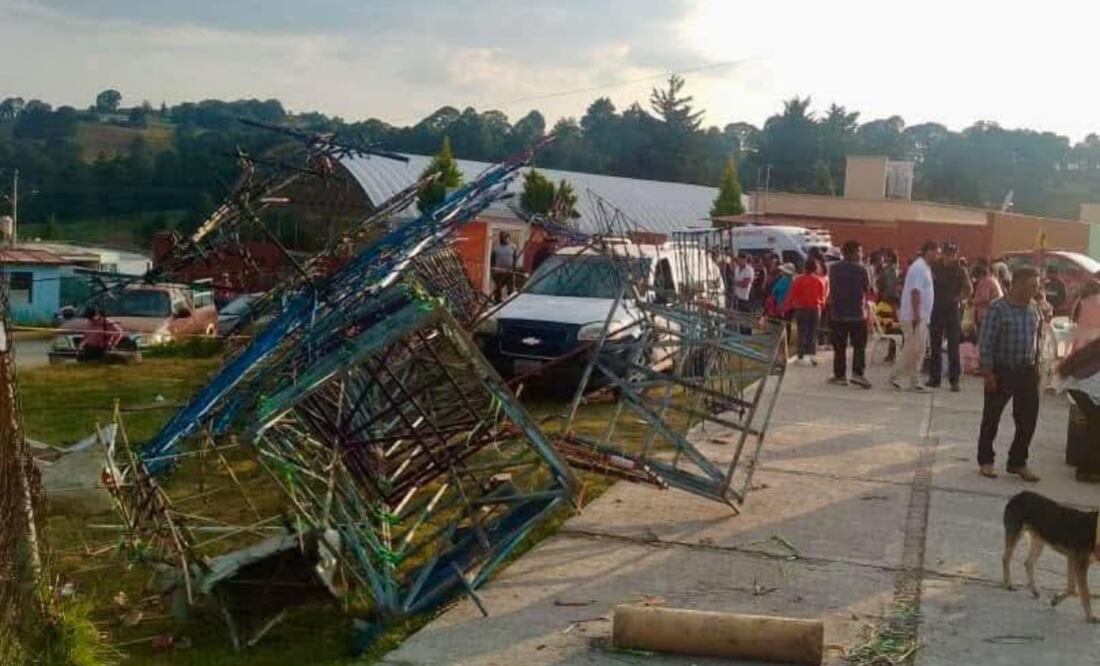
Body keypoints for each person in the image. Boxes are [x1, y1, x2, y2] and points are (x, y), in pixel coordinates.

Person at [976, 265, 1043, 481]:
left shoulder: (1033, 308)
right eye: (1031, 286)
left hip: (1027, 370)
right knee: (991, 418)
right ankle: (986, 460)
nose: (1035, 290)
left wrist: (1037, 366)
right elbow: (986, 343)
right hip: (1002, 370)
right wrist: (988, 374)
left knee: (1027, 419)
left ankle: (1018, 462)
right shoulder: (998, 309)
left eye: (1037, 286)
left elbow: (1037, 340)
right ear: (1016, 285)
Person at [889, 241, 940, 391]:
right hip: (915, 315)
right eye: (936, 252)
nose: (937, 255)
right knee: (913, 348)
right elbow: (915, 292)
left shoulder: (925, 267)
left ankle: (913, 380)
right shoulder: (919, 268)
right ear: (928, 251)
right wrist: (916, 314)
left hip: (921, 316)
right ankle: (898, 377)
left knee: (917, 348)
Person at [828, 240, 872, 388]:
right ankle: (858, 374)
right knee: (859, 346)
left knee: (839, 347)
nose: (861, 254)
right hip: (857, 314)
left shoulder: (833, 269)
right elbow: (869, 290)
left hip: (838, 314)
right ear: (853, 253)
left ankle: (839, 375)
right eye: (860, 251)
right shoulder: (862, 270)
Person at [928, 244, 972, 391]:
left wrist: (960, 299)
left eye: (952, 253)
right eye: (947, 253)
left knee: (953, 346)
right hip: (936, 309)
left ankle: (954, 380)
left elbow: (968, 289)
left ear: (956, 254)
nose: (949, 256)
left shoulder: (960, 270)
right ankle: (935, 378)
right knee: (935, 344)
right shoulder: (935, 267)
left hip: (952, 310)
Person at [788, 258, 828, 366]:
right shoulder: (819, 281)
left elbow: (792, 294)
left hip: (801, 308)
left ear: (804, 268)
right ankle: (811, 355)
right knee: (813, 332)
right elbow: (823, 296)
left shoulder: (798, 280)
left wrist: (790, 305)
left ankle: (801, 356)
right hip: (815, 308)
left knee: (802, 333)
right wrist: (822, 305)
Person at [971, 263, 1003, 332]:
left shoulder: (984, 282)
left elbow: (985, 298)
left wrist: (973, 301)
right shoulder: (993, 279)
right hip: (996, 314)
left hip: (986, 315)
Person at [490, 231, 519, 302]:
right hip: (498, 272)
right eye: (501, 237)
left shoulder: (513, 247)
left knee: (510, 289)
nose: (503, 239)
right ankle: (497, 301)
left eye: (505, 237)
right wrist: (492, 270)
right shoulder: (496, 248)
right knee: (498, 288)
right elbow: (492, 259)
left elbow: (515, 259)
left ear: (508, 238)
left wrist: (515, 269)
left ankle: (511, 301)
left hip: (509, 272)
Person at [732, 253, 755, 333]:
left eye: (743, 259)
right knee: (739, 317)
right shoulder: (737, 269)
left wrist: (736, 283)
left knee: (746, 317)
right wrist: (737, 283)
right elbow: (737, 282)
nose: (741, 261)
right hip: (737, 296)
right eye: (739, 259)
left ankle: (748, 333)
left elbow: (744, 284)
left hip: (746, 297)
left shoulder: (749, 270)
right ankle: (741, 332)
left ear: (745, 260)